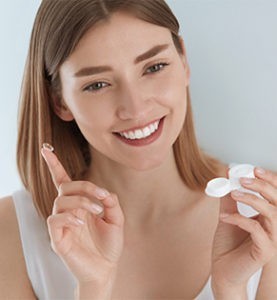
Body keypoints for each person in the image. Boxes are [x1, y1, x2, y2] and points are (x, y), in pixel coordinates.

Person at [0, 0, 277, 299]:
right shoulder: (10, 234)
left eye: (154, 67)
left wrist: (232, 291)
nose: (135, 108)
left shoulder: (264, 216)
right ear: (60, 101)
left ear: (183, 61)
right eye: (97, 85)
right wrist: (93, 287)